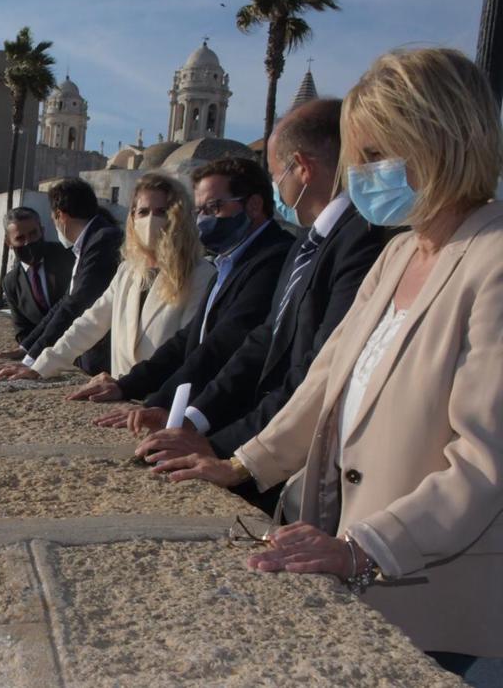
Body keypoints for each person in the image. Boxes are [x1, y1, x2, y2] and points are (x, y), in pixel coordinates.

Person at [143, 48, 503, 673]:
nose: (356, 176)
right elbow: (325, 379)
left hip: (439, 602)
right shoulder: (399, 254)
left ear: (435, 141)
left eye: (371, 156)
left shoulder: (493, 261)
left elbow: (486, 461)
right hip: (361, 574)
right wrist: (242, 463)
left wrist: (364, 549)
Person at [103, 100, 386, 514]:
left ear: (301, 169)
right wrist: (175, 412)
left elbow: (315, 369)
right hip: (261, 440)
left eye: (276, 175)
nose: (277, 190)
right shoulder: (306, 245)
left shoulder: (356, 240)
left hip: (293, 453)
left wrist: (222, 446)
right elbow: (258, 343)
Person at [69, 157, 293, 407]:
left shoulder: (274, 259)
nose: (204, 220)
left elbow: (223, 347)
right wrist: (126, 386)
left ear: (253, 205)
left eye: (214, 207)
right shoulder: (227, 263)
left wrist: (163, 406)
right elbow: (188, 340)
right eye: (201, 211)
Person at [0, 173, 214, 381]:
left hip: (160, 402)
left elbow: (185, 349)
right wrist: (39, 367)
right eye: (143, 212)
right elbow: (91, 322)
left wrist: (129, 386)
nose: (150, 221)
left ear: (178, 217)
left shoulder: (201, 275)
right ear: (132, 217)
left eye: (161, 212)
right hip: (122, 399)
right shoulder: (128, 271)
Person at [0, 178, 122, 374]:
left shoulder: (101, 242)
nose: (28, 243)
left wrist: (33, 363)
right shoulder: (90, 243)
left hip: (108, 360)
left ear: (60, 215)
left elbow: (75, 305)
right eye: (20, 238)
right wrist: (26, 350)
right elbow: (64, 304)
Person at [0, 207, 76, 345]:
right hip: (44, 356)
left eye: (33, 233)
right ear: (9, 242)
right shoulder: (11, 283)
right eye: (20, 238)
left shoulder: (70, 256)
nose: (28, 242)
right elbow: (22, 330)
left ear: (42, 231)